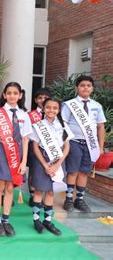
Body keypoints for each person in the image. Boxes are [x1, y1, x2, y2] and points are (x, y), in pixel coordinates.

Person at [0, 82, 32, 237]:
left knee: (10, 187)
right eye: (9, 93)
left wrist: (24, 162)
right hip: (0, 151)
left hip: (17, 153)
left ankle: (6, 219)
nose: (12, 96)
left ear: (20, 95)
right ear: (5, 95)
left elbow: (26, 140)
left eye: (15, 93)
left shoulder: (24, 115)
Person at [61, 75, 106, 213]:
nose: (85, 87)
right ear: (77, 88)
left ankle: (79, 200)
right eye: (82, 85)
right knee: (73, 171)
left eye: (88, 85)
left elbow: (100, 127)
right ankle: (68, 199)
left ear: (92, 88)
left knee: (84, 172)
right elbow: (63, 124)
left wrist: (101, 146)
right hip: (74, 142)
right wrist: (65, 144)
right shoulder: (69, 104)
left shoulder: (96, 106)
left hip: (90, 144)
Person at [30, 98, 73, 235]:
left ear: (58, 110)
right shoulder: (38, 125)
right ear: (43, 108)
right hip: (41, 160)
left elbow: (67, 146)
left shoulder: (64, 126)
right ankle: (36, 220)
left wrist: (58, 164)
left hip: (58, 162)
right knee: (38, 191)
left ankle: (47, 220)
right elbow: (35, 146)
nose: (51, 110)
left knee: (50, 191)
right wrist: (44, 164)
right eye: (48, 107)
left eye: (55, 108)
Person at [27, 88, 51, 207]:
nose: (43, 100)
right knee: (33, 170)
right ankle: (33, 194)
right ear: (36, 100)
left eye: (45, 98)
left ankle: (44, 193)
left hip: (50, 148)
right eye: (40, 98)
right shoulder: (30, 115)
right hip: (33, 146)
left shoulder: (52, 115)